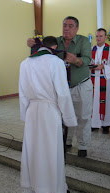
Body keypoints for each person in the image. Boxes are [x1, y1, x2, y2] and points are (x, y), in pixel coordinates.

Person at [19, 36, 77, 193]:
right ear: (54, 46)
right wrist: (68, 118)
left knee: (36, 151)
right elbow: (63, 95)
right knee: (53, 151)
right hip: (49, 112)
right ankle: (57, 191)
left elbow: (22, 94)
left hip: (32, 112)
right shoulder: (55, 62)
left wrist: (25, 115)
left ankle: (41, 191)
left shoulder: (25, 63)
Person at [27, 16, 93, 158]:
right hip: (62, 87)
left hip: (81, 85)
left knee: (83, 116)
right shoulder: (57, 41)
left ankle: (82, 145)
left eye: (70, 26)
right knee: (63, 115)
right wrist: (32, 44)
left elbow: (88, 59)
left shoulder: (83, 41)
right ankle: (67, 141)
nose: (66, 28)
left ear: (77, 28)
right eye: (64, 25)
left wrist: (76, 60)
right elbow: (42, 51)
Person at [90, 28, 110, 134]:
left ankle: (106, 125)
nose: (98, 38)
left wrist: (103, 66)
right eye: (97, 36)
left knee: (106, 102)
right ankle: (94, 123)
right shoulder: (91, 50)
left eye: (101, 36)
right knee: (93, 102)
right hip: (93, 79)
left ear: (105, 37)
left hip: (105, 80)